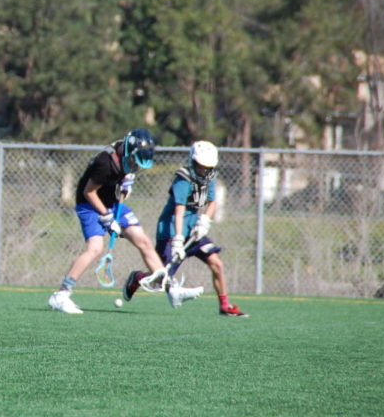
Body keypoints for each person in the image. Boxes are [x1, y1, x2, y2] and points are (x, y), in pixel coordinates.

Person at [48, 129, 202, 314]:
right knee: (95, 248)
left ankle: (172, 290)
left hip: (112, 202)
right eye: (133, 163)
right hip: (90, 204)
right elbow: (88, 192)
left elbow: (127, 167)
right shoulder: (105, 164)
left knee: (143, 241)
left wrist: (127, 179)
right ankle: (61, 295)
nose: (134, 167)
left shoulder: (125, 149)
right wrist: (106, 216)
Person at [128, 140, 248, 317]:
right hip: (171, 230)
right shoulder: (183, 179)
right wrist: (177, 239)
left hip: (193, 230)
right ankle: (137, 279)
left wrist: (205, 220)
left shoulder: (210, 178)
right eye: (201, 167)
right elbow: (179, 209)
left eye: (208, 167)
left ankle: (225, 306)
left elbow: (212, 201)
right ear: (193, 162)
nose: (204, 171)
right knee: (160, 279)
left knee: (217, 263)